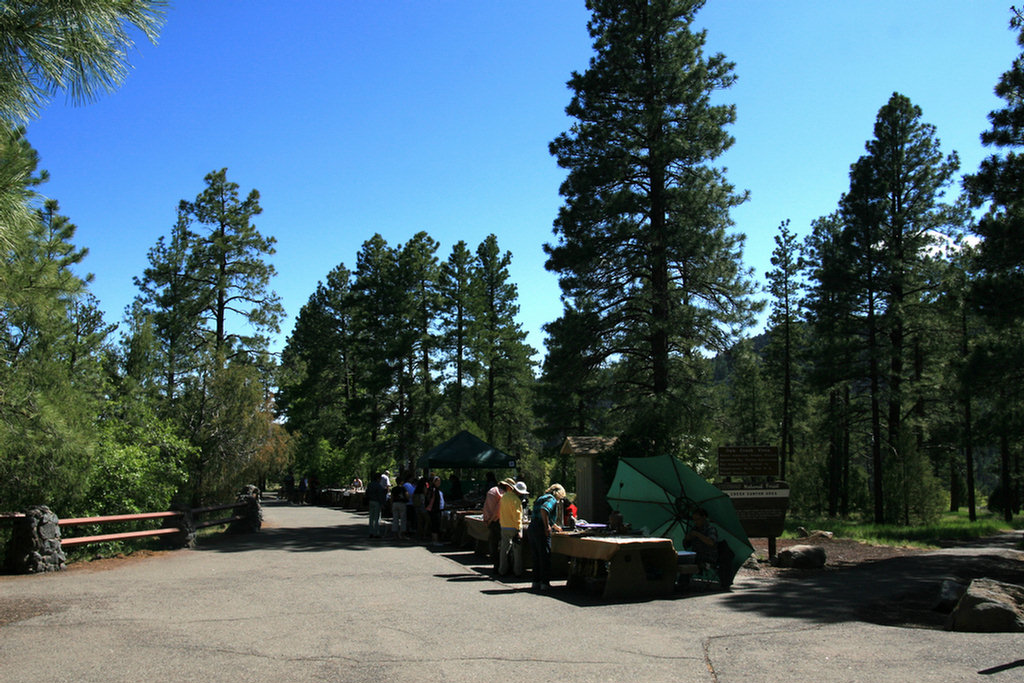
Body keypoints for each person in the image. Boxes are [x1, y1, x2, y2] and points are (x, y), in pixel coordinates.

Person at [526, 483, 566, 590]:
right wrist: (547, 526)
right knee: (544, 556)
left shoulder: (541, 498)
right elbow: (544, 510)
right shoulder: (552, 499)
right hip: (540, 529)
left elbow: (541, 514)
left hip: (532, 527)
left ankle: (536, 581)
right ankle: (544, 583)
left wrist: (554, 525)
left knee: (536, 557)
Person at [482, 477, 514, 571]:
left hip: (491, 521)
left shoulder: (492, 490)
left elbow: (486, 506)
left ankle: (496, 565)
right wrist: (492, 520)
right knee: (502, 544)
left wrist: (487, 520)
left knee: (493, 543)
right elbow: (498, 511)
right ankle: (502, 566)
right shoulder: (502, 494)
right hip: (498, 521)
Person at [498, 480, 527, 577]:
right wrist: (519, 529)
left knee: (504, 548)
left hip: (504, 525)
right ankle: (517, 571)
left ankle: (502, 569)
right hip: (513, 527)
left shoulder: (504, 497)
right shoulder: (516, 500)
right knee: (517, 550)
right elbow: (517, 516)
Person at [424, 475, 445, 546]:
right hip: (434, 509)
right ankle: (435, 540)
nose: (439, 482)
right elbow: (432, 500)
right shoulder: (433, 490)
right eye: (438, 481)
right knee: (435, 525)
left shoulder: (434, 489)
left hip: (435, 509)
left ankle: (435, 539)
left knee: (435, 524)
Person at [365, 472, 386, 539]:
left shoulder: (370, 484)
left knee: (371, 517)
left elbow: (367, 493)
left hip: (371, 501)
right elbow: (380, 495)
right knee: (377, 518)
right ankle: (376, 532)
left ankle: (371, 532)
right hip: (377, 502)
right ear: (378, 478)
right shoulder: (378, 486)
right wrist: (382, 503)